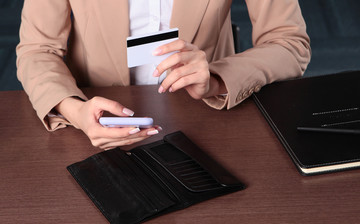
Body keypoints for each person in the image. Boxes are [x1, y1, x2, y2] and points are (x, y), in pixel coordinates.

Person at [16, 0, 311, 150]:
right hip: (93, 121)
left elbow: (289, 42)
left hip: (209, 118)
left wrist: (218, 79)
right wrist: (75, 110)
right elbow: (37, 50)